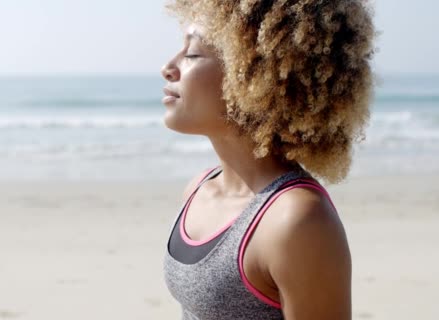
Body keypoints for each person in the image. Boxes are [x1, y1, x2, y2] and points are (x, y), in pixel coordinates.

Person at [160, 1, 375, 319]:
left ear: (253, 73)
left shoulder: (297, 220)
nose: (168, 67)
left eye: (192, 53)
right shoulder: (198, 189)